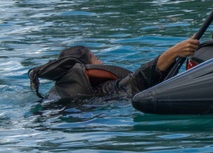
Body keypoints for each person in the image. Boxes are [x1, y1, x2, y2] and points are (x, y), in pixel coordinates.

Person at [29, 38, 200, 102]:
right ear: (87, 67)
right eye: (95, 58)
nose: (101, 61)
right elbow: (138, 80)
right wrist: (174, 52)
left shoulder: (55, 94)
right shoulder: (102, 89)